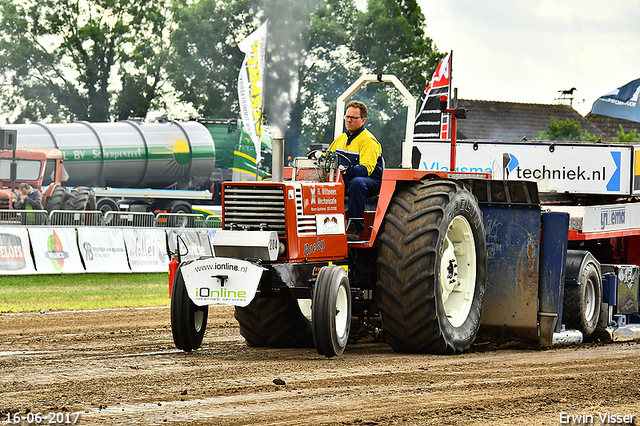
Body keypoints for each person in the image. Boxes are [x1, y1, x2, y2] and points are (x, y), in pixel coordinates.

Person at [329, 101, 383, 241]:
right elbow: (328, 157)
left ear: (363, 120)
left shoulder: (368, 141)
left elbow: (366, 169)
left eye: (353, 117)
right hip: (345, 178)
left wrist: (348, 171)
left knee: (357, 182)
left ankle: (355, 225)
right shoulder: (341, 138)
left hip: (371, 182)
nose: (349, 120)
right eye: (347, 117)